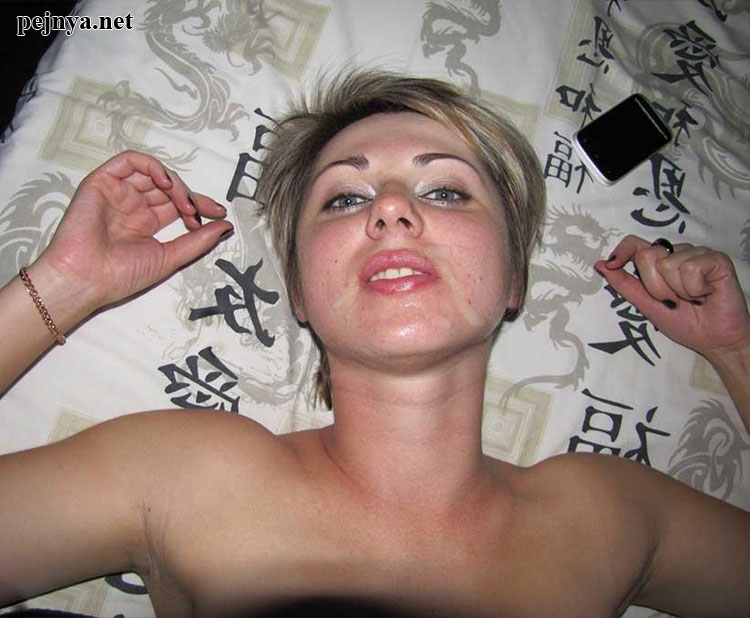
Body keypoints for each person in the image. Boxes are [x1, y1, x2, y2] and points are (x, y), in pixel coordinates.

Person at [0, 70, 749, 618]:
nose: (390, 209)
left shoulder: (604, 515)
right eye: (345, 198)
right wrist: (64, 286)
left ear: (515, 279)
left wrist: (736, 351)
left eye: (446, 191)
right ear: (299, 291)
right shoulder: (184, 475)